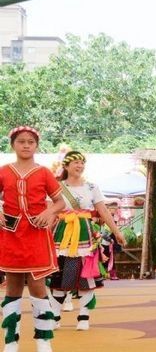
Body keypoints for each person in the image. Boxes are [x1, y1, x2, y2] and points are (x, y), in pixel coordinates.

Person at [0, 126, 66, 352]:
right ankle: (11, 342)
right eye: (21, 141)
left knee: (38, 287)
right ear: (13, 145)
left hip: (37, 235)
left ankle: (43, 340)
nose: (26, 145)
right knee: (12, 288)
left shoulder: (44, 172)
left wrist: (48, 213)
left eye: (30, 141)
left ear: (36, 145)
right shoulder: (4, 171)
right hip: (11, 235)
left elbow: (60, 203)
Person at [48, 151, 126, 332]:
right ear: (66, 166)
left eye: (82, 163)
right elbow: (50, 213)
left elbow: (103, 211)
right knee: (59, 276)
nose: (80, 166)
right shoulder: (56, 187)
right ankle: (55, 316)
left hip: (85, 235)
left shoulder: (92, 187)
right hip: (62, 235)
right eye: (75, 162)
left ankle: (84, 316)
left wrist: (117, 231)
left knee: (86, 275)